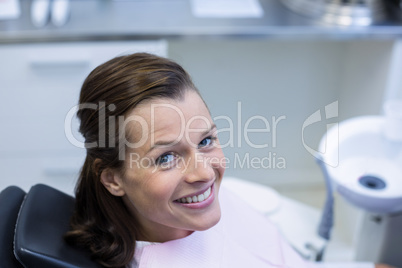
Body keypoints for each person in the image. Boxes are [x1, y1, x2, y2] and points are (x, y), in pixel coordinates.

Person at [65, 53, 396, 268]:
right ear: (112, 178)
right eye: (166, 157)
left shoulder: (192, 211)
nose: (205, 172)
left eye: (206, 140)